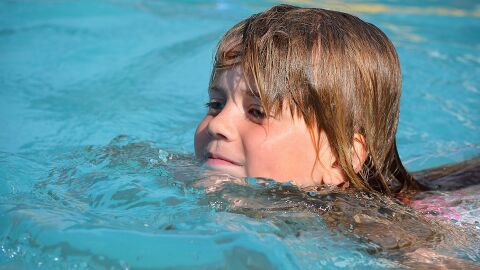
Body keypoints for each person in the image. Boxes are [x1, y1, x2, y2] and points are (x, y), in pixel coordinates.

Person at [194, 4, 422, 195]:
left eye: (257, 112)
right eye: (216, 105)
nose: (217, 124)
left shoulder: (377, 232)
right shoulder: (184, 171)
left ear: (338, 159)